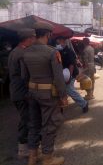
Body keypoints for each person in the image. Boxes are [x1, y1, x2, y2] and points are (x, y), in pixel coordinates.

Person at [22, 22, 68, 165]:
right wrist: (63, 95)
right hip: (48, 95)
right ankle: (48, 158)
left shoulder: (26, 51)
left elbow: (24, 76)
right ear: (48, 34)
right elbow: (59, 77)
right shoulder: (52, 52)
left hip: (31, 93)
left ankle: (32, 156)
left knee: (33, 124)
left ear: (36, 34)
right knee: (50, 124)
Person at [8, 28, 36, 158]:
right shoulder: (22, 53)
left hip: (15, 90)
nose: (34, 40)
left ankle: (23, 147)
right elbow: (25, 76)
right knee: (28, 120)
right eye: (33, 38)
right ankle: (24, 149)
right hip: (22, 92)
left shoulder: (14, 51)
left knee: (24, 119)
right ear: (28, 38)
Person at [56, 36, 88, 113]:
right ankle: (61, 108)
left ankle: (84, 104)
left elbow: (71, 65)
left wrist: (69, 76)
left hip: (70, 73)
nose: (57, 42)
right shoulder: (58, 51)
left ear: (62, 41)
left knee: (69, 90)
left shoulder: (68, 51)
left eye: (58, 40)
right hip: (63, 73)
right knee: (63, 90)